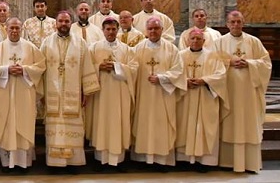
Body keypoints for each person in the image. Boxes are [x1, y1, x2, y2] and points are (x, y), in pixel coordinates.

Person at [40, 10, 100, 169]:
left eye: (67, 21)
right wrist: (41, 93)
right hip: (53, 94)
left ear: (70, 23)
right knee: (55, 126)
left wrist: (86, 91)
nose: (64, 24)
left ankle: (73, 162)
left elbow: (87, 66)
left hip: (73, 95)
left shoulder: (80, 43)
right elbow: (40, 70)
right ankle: (55, 163)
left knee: (73, 125)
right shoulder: (46, 42)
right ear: (56, 24)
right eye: (61, 21)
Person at [0, 17, 45, 171]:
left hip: (24, 94)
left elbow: (40, 66)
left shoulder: (31, 48)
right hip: (4, 95)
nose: (14, 31)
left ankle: (23, 163)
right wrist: (6, 70)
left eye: (17, 28)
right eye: (11, 28)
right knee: (7, 126)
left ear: (21, 29)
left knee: (24, 124)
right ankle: (7, 163)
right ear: (7, 29)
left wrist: (25, 70)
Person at [215, 11, 272, 173]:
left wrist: (249, 63)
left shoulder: (254, 41)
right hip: (228, 92)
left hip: (249, 93)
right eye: (232, 22)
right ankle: (227, 162)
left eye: (238, 22)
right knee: (229, 123)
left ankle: (250, 163)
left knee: (248, 123)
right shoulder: (219, 42)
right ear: (227, 24)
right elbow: (211, 62)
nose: (235, 25)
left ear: (243, 23)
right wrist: (229, 62)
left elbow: (266, 63)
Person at [131, 17, 186, 167]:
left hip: (164, 96)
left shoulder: (171, 49)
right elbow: (131, 70)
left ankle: (162, 160)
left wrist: (162, 78)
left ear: (162, 30)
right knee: (143, 124)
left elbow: (179, 71)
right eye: (150, 29)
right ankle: (142, 160)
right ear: (146, 31)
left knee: (162, 125)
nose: (153, 31)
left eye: (156, 28)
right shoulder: (138, 48)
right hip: (143, 96)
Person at [86, 17, 137, 167]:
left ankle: (118, 161)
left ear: (118, 30)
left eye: (113, 29)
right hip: (100, 95)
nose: (110, 32)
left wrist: (116, 66)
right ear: (103, 31)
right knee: (101, 123)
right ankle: (100, 160)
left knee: (117, 124)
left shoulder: (126, 49)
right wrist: (98, 67)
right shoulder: (94, 48)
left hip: (120, 94)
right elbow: (87, 68)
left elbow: (134, 69)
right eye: (107, 29)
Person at [176, 28, 227, 169]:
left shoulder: (213, 56)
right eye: (192, 38)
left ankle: (205, 161)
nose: (195, 41)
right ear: (188, 40)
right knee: (185, 126)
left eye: (198, 39)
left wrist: (204, 80)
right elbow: (174, 74)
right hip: (186, 97)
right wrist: (184, 81)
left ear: (204, 41)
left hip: (206, 97)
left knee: (204, 128)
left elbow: (221, 75)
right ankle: (184, 160)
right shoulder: (180, 55)